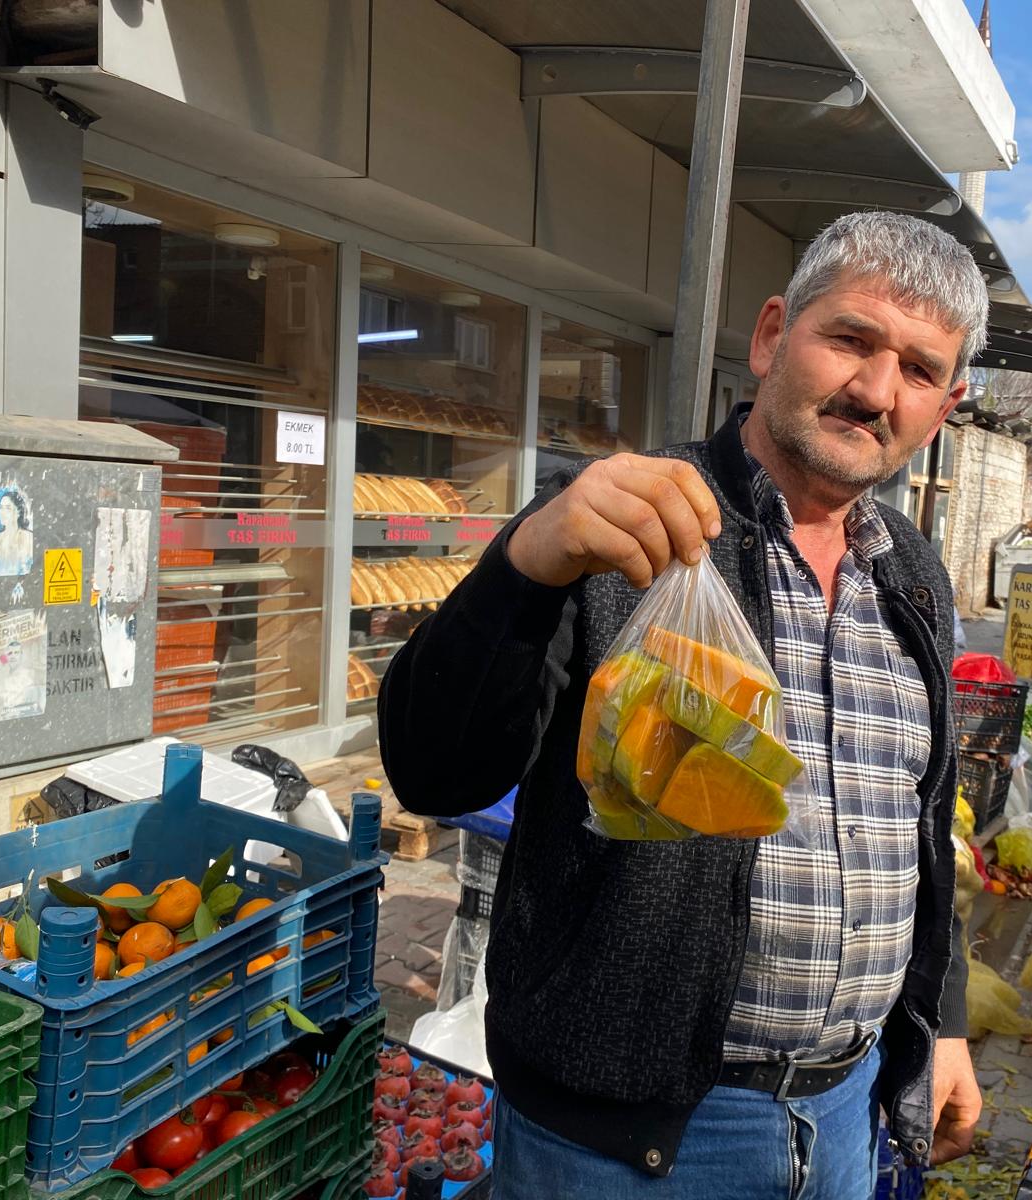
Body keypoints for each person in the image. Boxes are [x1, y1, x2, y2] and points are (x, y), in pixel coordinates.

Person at [379, 211, 982, 1197]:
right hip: (625, 1147)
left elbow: (916, 826)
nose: (876, 391)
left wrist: (938, 1021)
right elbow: (435, 770)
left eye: (917, 370)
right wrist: (525, 567)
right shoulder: (628, 521)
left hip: (840, 1114)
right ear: (772, 334)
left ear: (944, 404)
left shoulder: (912, 574)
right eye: (851, 340)